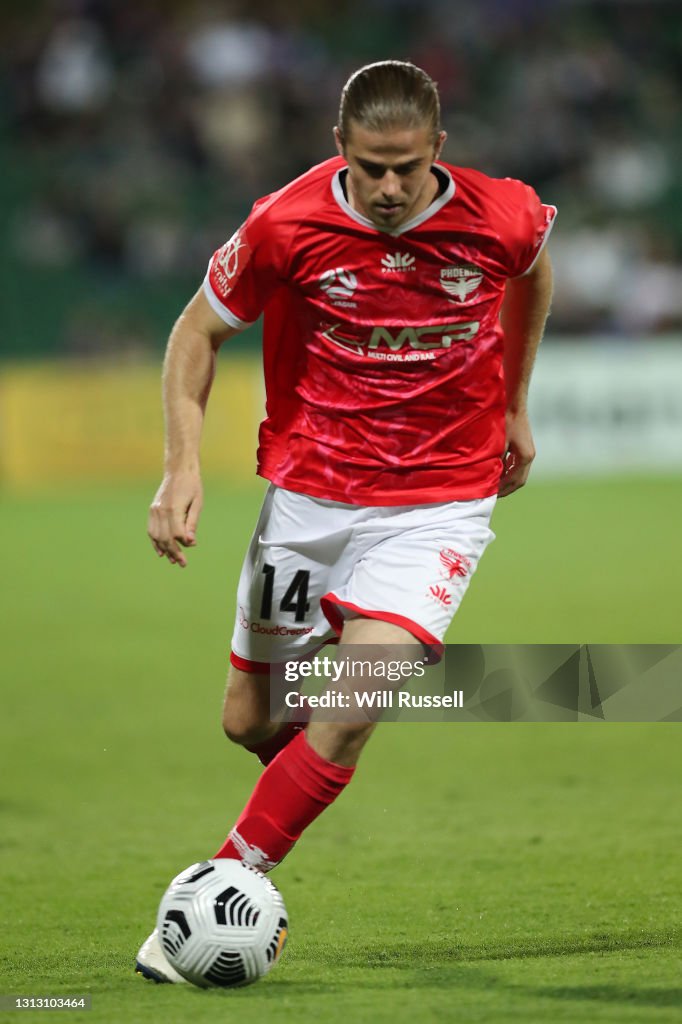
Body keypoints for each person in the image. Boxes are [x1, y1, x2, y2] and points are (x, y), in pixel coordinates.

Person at [136, 60, 555, 982]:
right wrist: (181, 466)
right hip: (311, 501)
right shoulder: (285, 224)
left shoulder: (503, 215)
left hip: (442, 501)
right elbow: (194, 334)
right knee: (251, 723)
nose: (393, 187)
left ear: (439, 149)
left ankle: (218, 889)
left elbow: (531, 273)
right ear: (341, 151)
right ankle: (310, 741)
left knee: (354, 703)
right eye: (373, 168)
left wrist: (516, 404)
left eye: (408, 166)